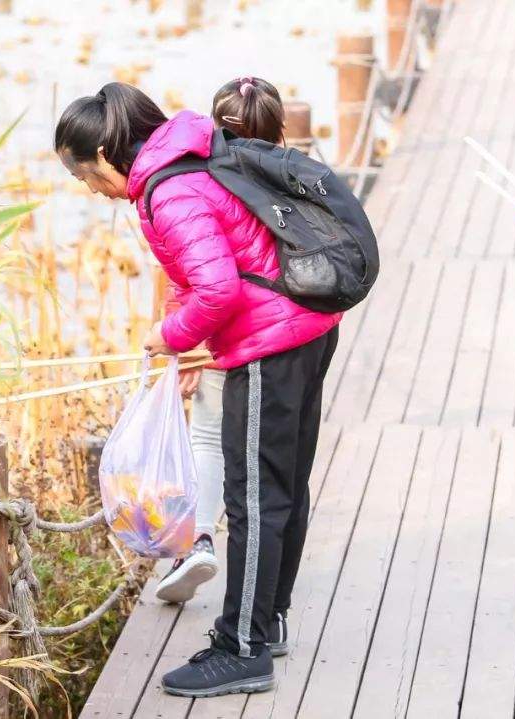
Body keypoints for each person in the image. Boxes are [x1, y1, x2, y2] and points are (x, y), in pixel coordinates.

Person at [54, 79, 341, 698]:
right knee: (282, 485)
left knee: (254, 497)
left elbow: (218, 290)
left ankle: (241, 648)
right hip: (306, 325)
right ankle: (268, 621)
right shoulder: (188, 154)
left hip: (273, 342)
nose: (94, 193)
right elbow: (206, 267)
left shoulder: (169, 189)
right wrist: (185, 336)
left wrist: (171, 336)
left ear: (104, 155)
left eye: (85, 179)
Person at [153, 77, 289, 607]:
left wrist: (181, 340)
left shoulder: (201, 178)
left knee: (208, 438)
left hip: (217, 324)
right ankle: (266, 590)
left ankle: (201, 539)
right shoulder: (293, 176)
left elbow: (185, 271)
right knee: (268, 458)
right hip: (281, 332)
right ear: (280, 130)